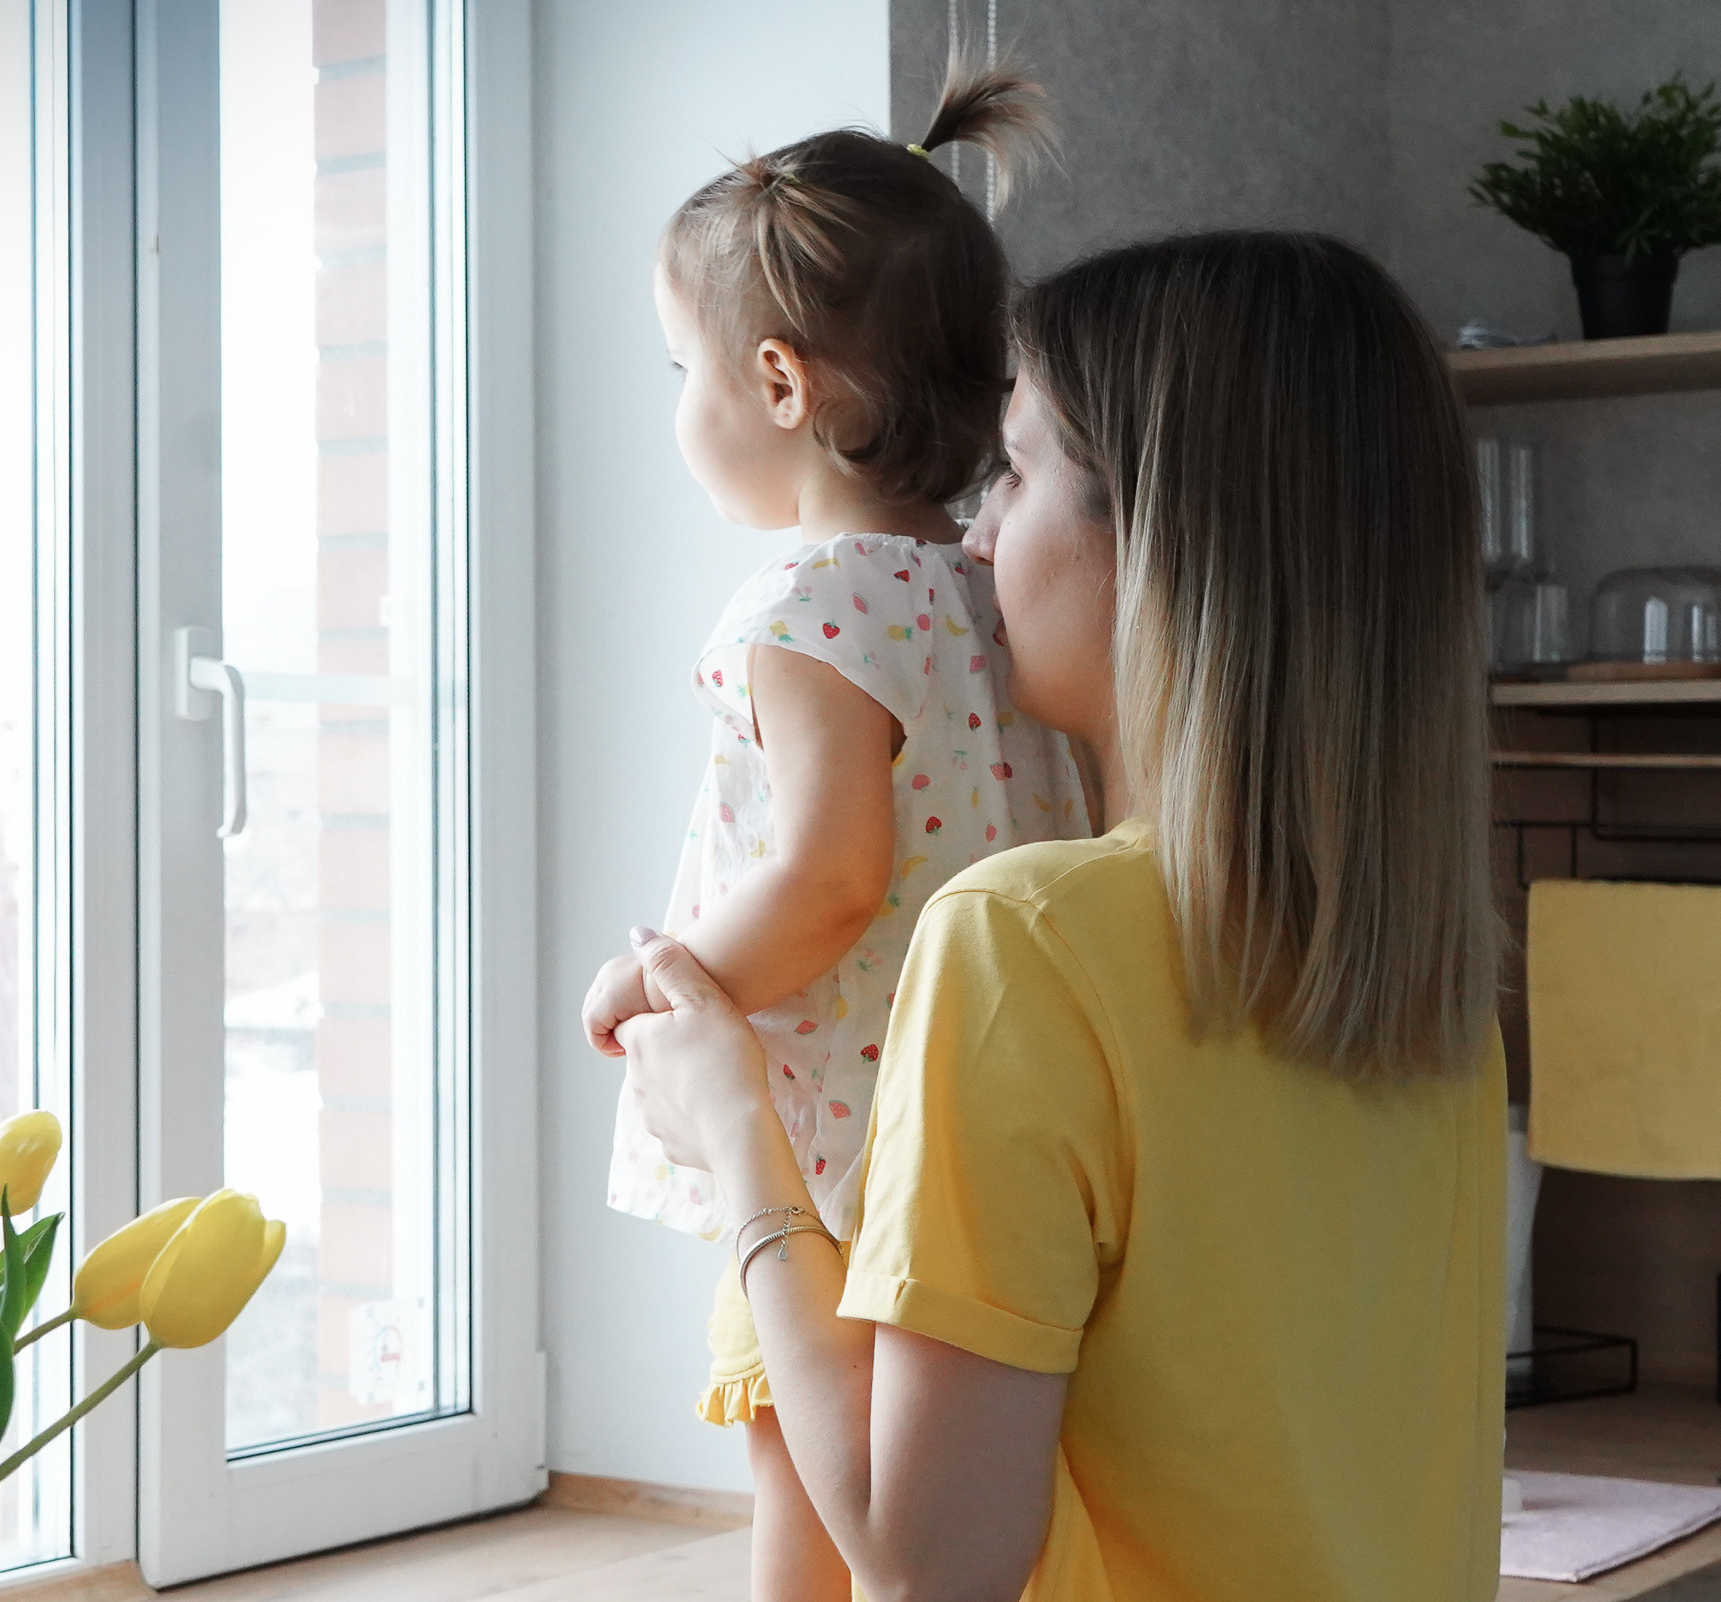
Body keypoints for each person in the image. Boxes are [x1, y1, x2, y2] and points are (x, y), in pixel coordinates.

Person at [616, 231, 1507, 1602]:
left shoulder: (1028, 937)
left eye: (1017, 471)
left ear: (1156, 541)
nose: (973, 535)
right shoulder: (1426, 970)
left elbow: (927, 1567)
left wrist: (734, 1124)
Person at [577, 55, 1088, 1602]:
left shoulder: (805, 606)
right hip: (984, 1120)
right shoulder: (999, 591)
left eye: (685, 369)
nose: (682, 404)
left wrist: (666, 980)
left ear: (782, 386)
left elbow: (826, 868)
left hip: (826, 1149)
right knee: (949, 1465)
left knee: (799, 1453)